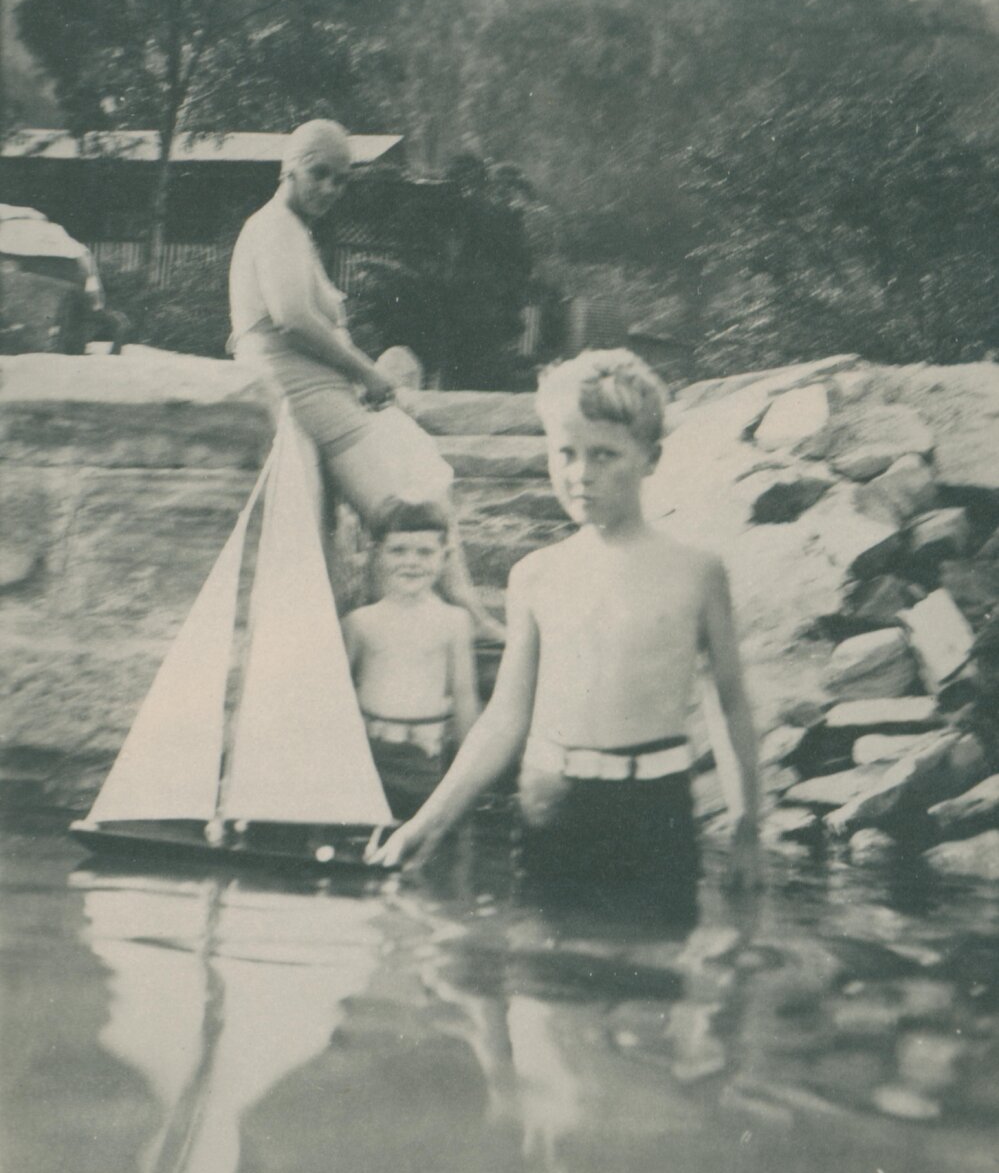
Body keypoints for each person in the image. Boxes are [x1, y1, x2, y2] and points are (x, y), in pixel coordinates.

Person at [367, 349, 761, 897]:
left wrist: (748, 825)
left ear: (651, 457)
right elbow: (504, 721)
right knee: (540, 974)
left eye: (604, 455)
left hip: (652, 810)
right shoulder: (536, 576)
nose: (580, 475)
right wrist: (428, 822)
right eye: (566, 453)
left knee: (654, 971)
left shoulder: (695, 572)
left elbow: (730, 702)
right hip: (550, 806)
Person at [227, 117, 502, 640]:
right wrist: (367, 373)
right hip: (303, 394)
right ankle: (427, 626)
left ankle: (458, 607)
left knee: (425, 470)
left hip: (330, 395)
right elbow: (292, 317)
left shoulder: (293, 232)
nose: (330, 188)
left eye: (341, 179)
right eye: (319, 174)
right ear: (289, 168)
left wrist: (362, 383)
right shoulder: (273, 228)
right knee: (407, 513)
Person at [343, 499, 481, 822]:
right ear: (377, 553)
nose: (411, 562)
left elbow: (464, 697)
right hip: (371, 754)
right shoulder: (360, 622)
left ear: (444, 557)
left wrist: (467, 774)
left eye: (424, 552)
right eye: (398, 550)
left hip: (425, 756)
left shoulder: (454, 622)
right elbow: (339, 695)